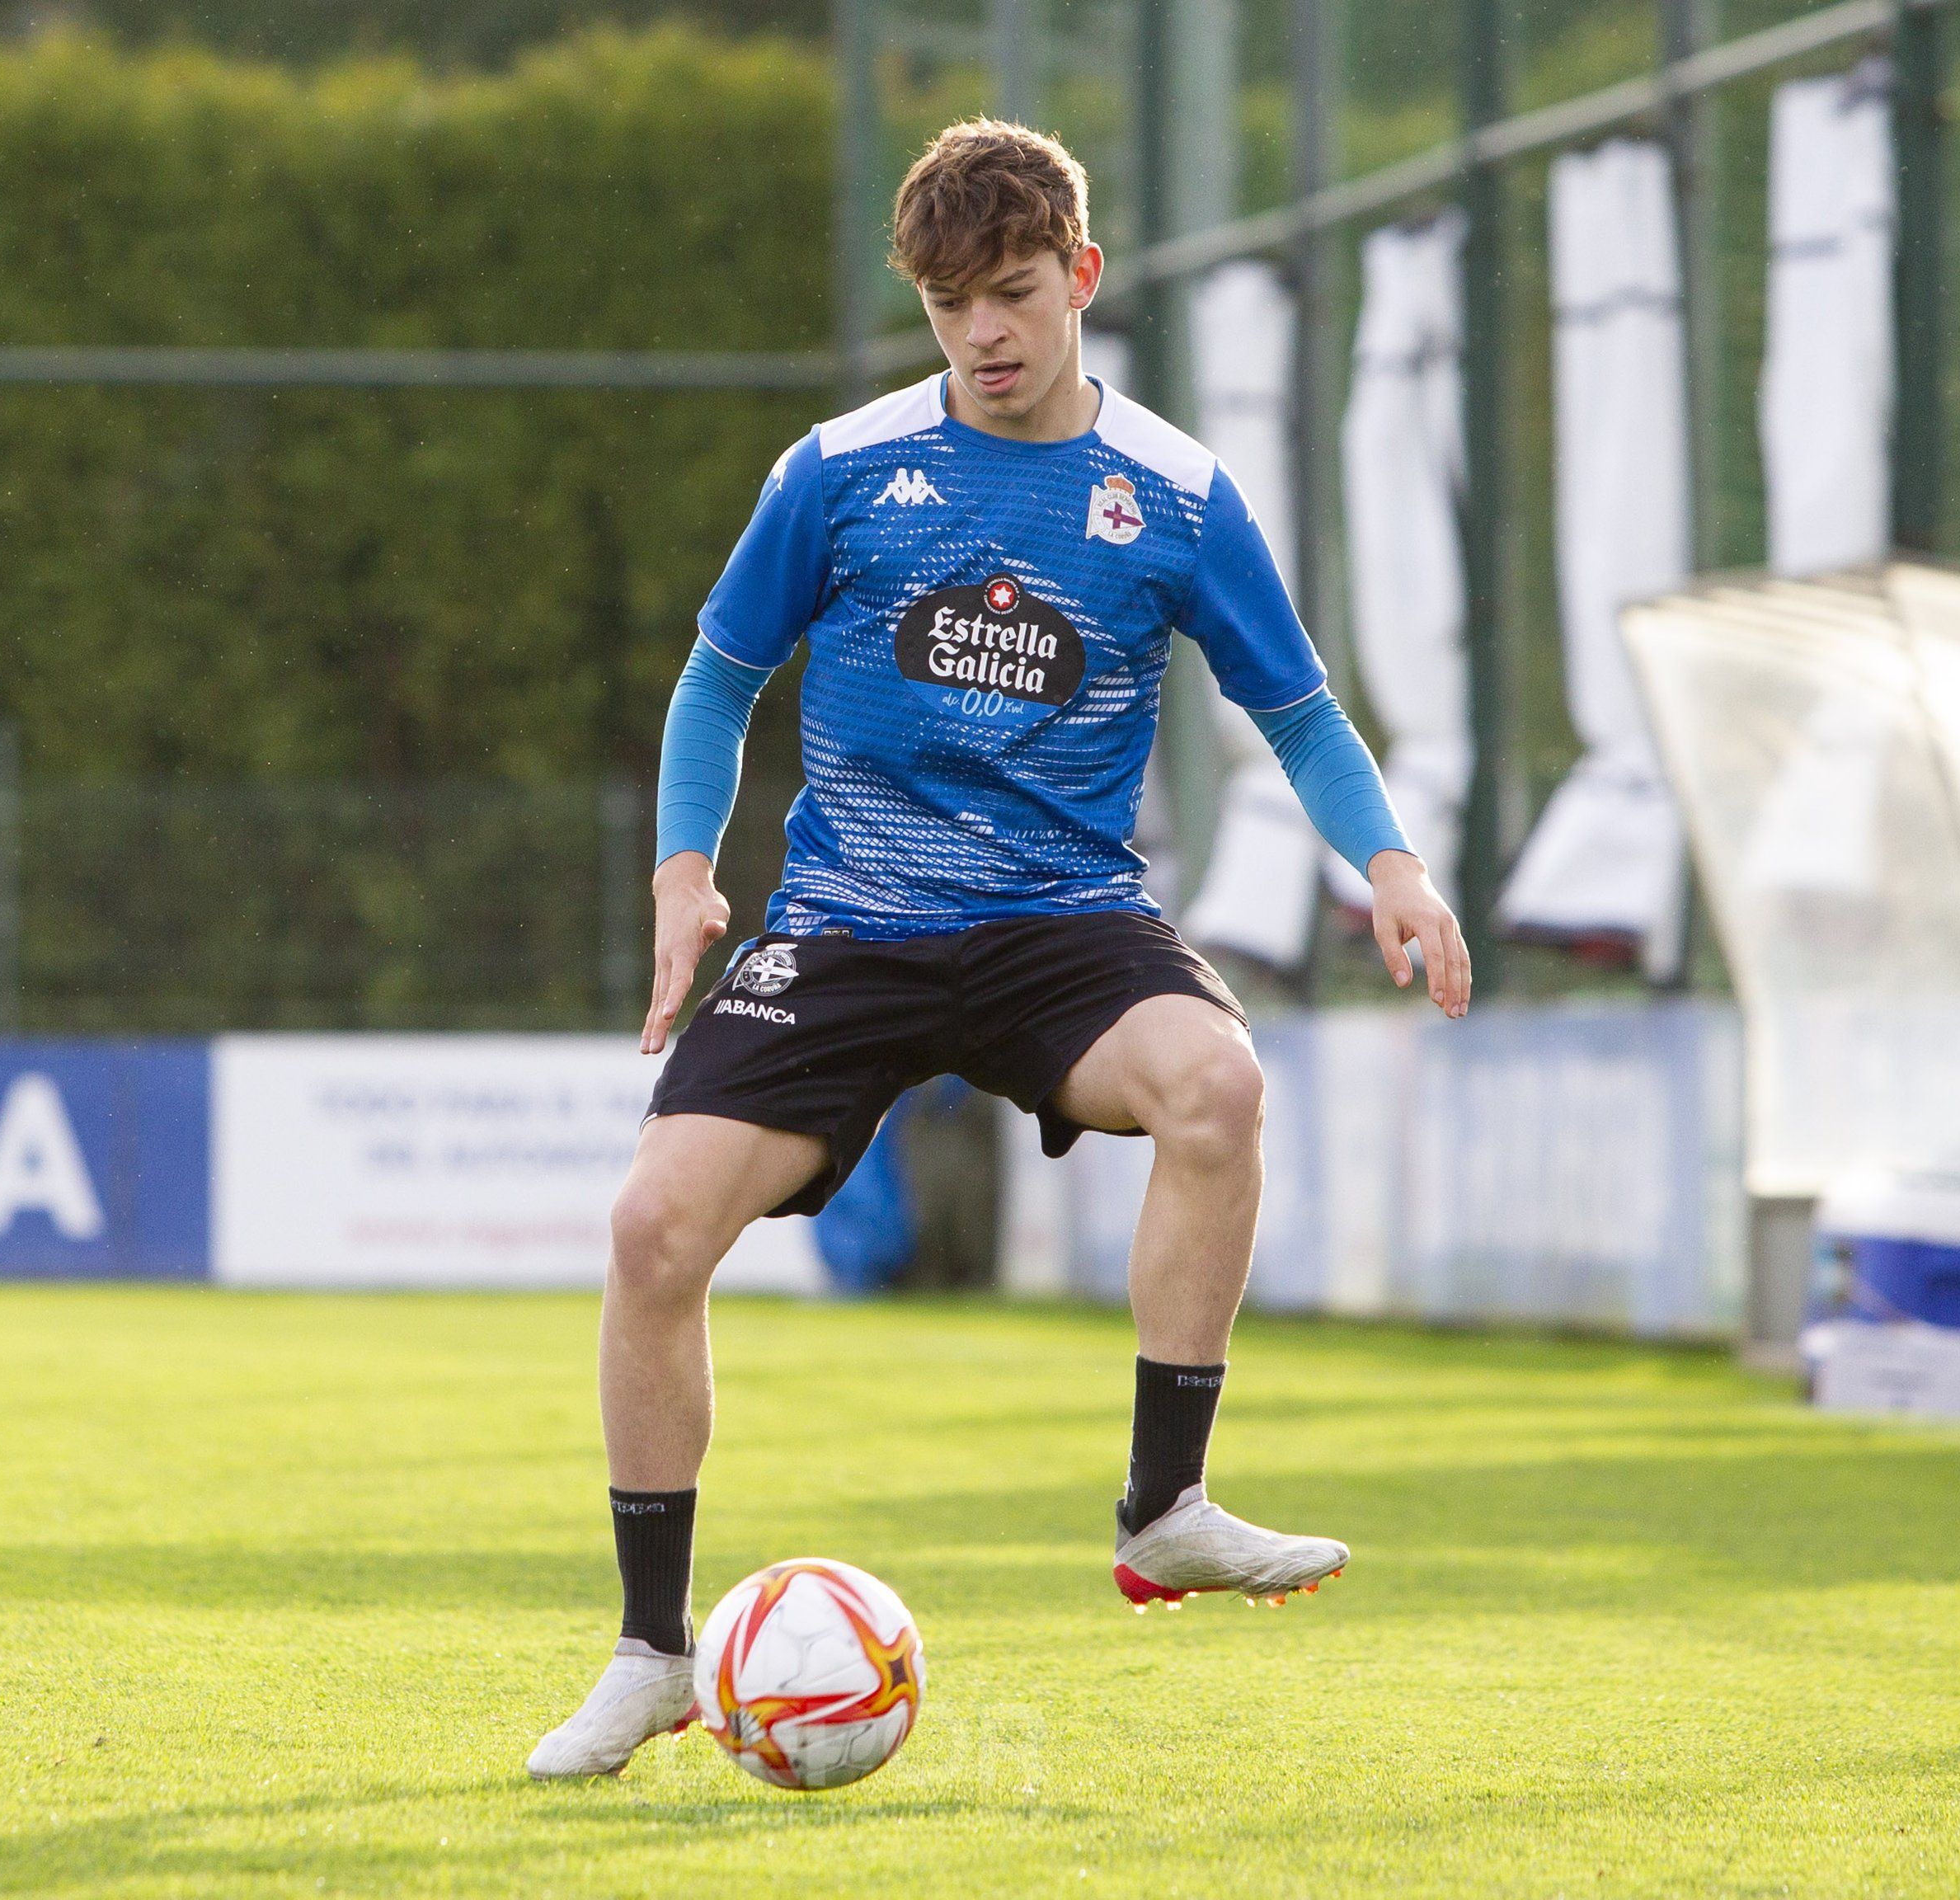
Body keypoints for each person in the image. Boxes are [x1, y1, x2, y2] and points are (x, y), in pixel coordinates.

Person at [525, 119, 1473, 1780]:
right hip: (849, 927)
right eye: (951, 302)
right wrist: (685, 874)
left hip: (1061, 924)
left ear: (1081, 277)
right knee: (651, 1228)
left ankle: (1163, 1506)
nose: (984, 332)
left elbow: (1296, 707)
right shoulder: (833, 471)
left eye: (1015, 292)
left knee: (1215, 1089)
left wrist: (1388, 864)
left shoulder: (1173, 495)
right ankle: (651, 1653)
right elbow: (715, 679)